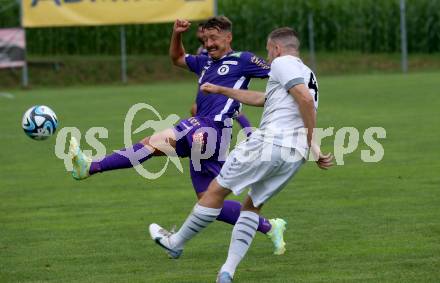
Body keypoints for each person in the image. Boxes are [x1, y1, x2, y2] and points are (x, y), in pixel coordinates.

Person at [69, 16, 287, 255]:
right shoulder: (204, 62)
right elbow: (176, 58)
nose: (209, 43)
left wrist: (292, 91)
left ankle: (91, 167)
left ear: (228, 37)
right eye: (206, 39)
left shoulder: (243, 59)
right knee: (208, 201)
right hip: (206, 132)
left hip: (211, 128)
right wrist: (177, 34)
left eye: (214, 38)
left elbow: (277, 73)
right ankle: (269, 227)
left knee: (150, 144)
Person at [149, 27, 334, 282]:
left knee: (214, 192)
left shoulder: (282, 63)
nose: (268, 59)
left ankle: (176, 242)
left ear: (277, 48)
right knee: (252, 206)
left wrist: (313, 139)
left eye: (269, 52)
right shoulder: (307, 73)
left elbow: (303, 100)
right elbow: (264, 99)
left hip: (269, 142)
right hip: (294, 155)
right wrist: (222, 90)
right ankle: (227, 271)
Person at [190, 22, 253, 137]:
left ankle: (248, 133)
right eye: (199, 32)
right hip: (207, 87)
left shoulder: (213, 49)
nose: (200, 34)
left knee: (233, 111)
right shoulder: (201, 50)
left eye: (201, 31)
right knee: (196, 110)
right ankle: (218, 133)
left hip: (220, 85)